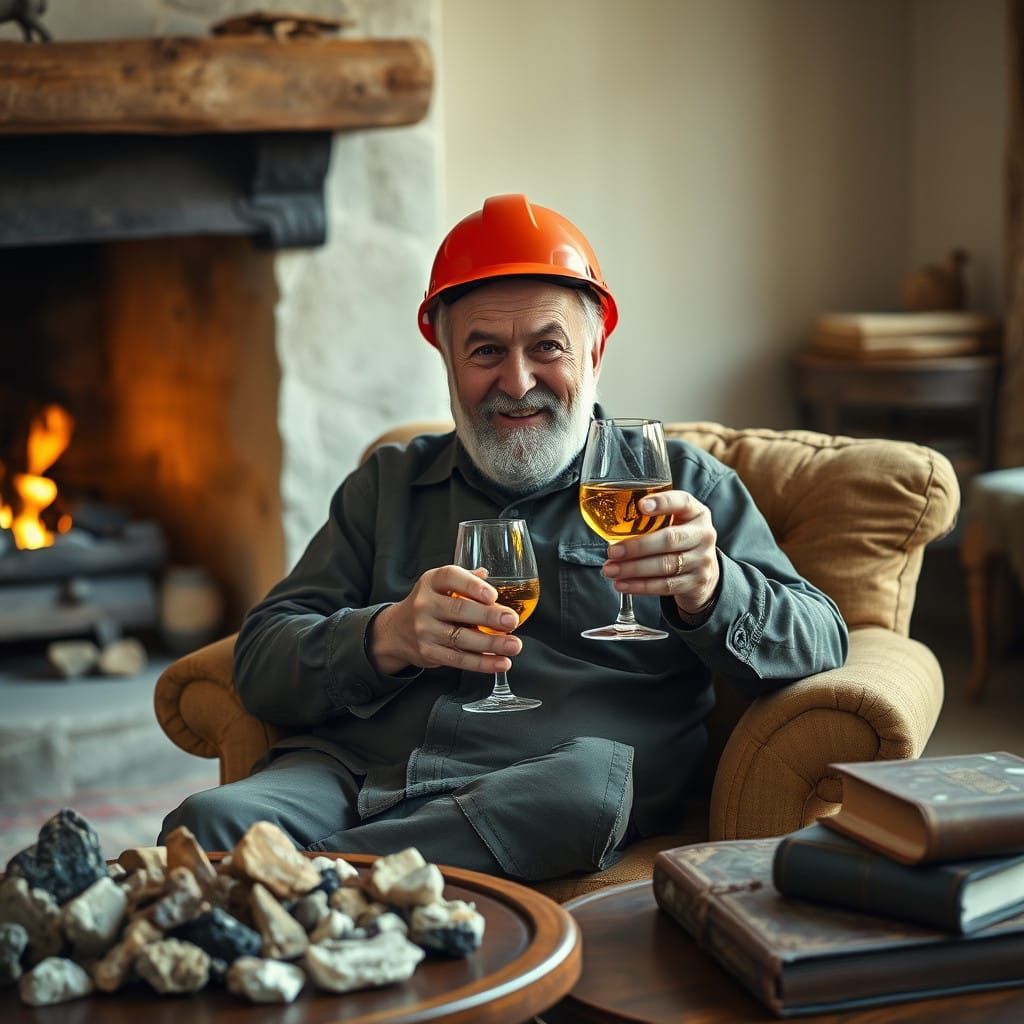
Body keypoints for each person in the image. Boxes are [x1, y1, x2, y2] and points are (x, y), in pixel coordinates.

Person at [159, 194, 848, 879]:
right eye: (485, 351)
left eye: (547, 347)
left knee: (583, 795)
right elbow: (261, 658)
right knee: (208, 822)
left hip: (543, 787)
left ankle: (310, 882)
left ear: (595, 349)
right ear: (447, 359)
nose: (516, 383)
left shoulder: (680, 486)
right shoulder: (387, 484)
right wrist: (387, 635)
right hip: (356, 774)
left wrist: (714, 589)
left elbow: (821, 638)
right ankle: (351, 882)